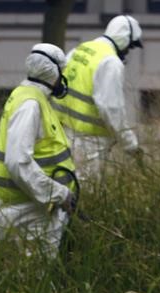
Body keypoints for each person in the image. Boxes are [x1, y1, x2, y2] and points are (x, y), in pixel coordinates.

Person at [0, 43, 77, 258]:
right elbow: (17, 162)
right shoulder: (30, 104)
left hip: (25, 208)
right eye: (62, 72)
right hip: (27, 212)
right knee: (34, 280)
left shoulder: (27, 95)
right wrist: (58, 193)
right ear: (53, 73)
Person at [52, 14, 144, 182]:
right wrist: (130, 144)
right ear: (124, 39)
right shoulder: (110, 62)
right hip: (89, 141)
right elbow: (111, 109)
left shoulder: (80, 49)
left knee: (62, 185)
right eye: (129, 46)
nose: (127, 52)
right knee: (84, 191)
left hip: (62, 132)